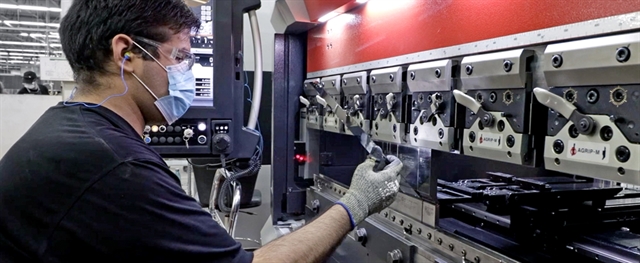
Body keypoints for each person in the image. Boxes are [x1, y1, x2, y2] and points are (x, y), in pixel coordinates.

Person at [0, 1, 403, 262]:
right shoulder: (110, 162)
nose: (186, 74)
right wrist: (355, 204)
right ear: (126, 54)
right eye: (179, 57)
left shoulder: (73, 129)